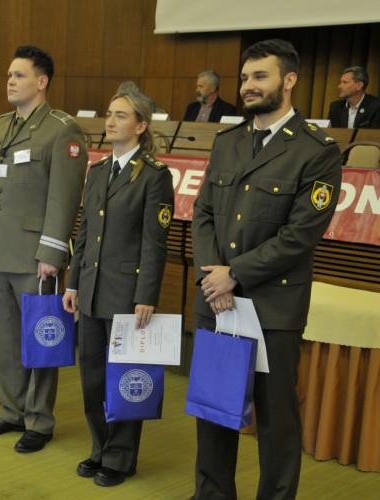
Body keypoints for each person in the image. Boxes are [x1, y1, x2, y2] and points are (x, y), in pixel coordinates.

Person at [191, 39, 342, 499]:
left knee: (276, 422)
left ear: (289, 80)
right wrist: (212, 277)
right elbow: (203, 213)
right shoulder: (228, 141)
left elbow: (300, 235)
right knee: (213, 412)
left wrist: (233, 273)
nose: (248, 86)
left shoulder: (316, 150)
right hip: (217, 301)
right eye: (244, 77)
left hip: (273, 307)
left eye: (260, 76)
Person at [0, 46, 87, 453]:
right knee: (3, 342)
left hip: (36, 258)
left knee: (40, 340)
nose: (10, 81)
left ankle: (38, 420)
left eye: (19, 75)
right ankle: (10, 411)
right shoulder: (1, 126)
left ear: (42, 81)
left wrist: (52, 253)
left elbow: (65, 198)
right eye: (9, 75)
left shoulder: (62, 129)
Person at [63, 90, 174, 487]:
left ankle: (121, 457)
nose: (110, 122)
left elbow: (154, 243)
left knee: (125, 377)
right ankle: (100, 447)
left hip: (127, 293)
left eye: (121, 116)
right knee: (92, 376)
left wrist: (146, 295)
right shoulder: (97, 171)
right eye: (109, 114)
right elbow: (85, 232)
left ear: (141, 126)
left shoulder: (154, 176)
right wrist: (73, 282)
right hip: (91, 289)